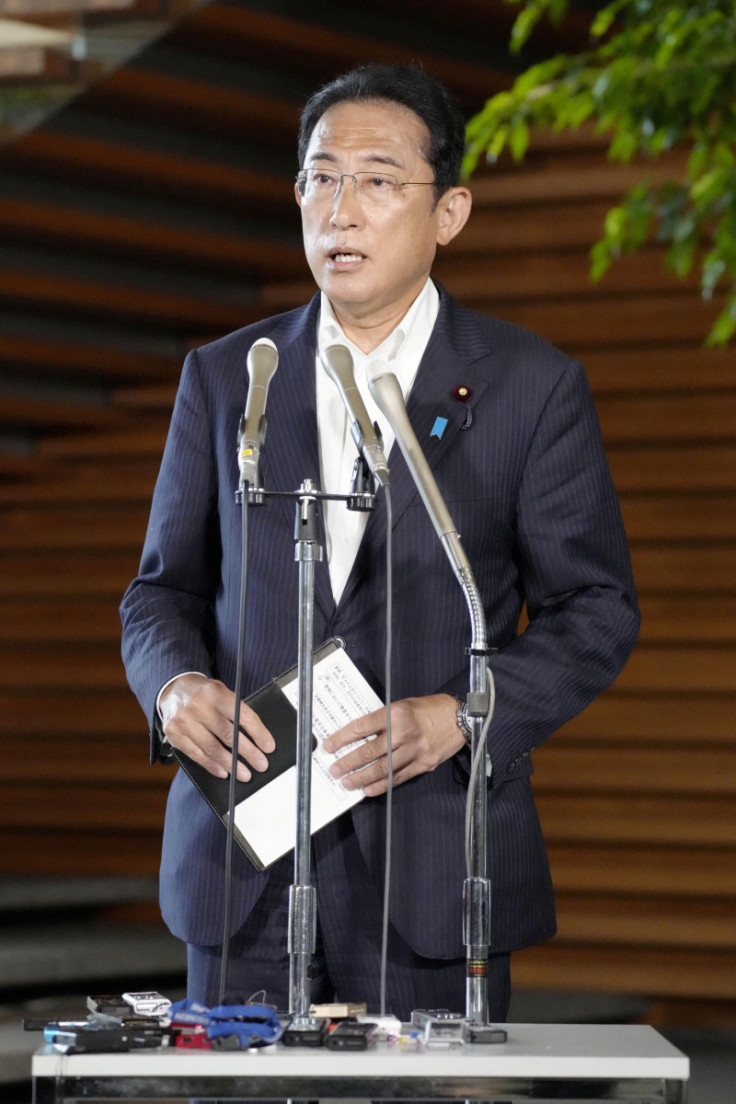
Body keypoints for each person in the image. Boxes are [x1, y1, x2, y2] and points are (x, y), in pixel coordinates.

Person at [120, 63, 640, 1022]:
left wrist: (463, 716)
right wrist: (172, 686)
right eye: (320, 178)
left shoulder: (531, 387)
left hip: (435, 864)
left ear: (450, 212)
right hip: (247, 855)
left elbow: (596, 609)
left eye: (376, 179)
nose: (340, 209)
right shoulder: (231, 375)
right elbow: (160, 594)